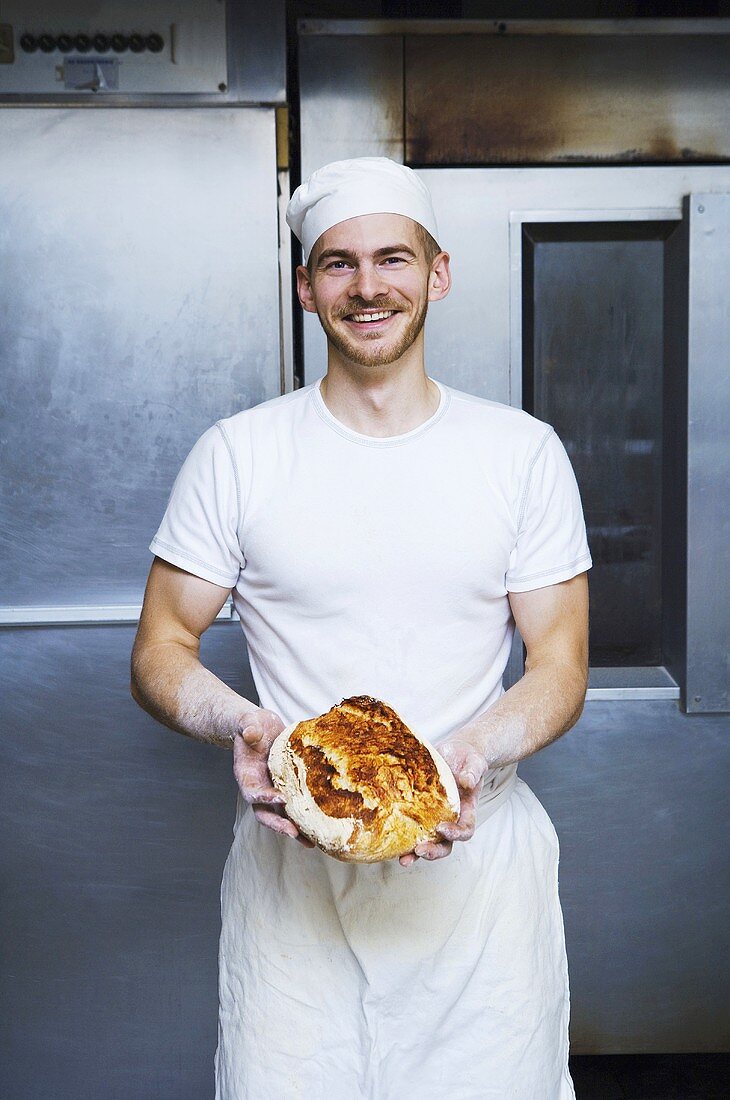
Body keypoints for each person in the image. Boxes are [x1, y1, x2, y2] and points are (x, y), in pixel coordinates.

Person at [131, 157, 591, 1099]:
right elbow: (161, 648)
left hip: (479, 893)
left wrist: (471, 752)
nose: (368, 286)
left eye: (393, 258)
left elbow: (560, 663)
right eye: (337, 264)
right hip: (292, 881)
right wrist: (244, 725)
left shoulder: (519, 453)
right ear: (306, 289)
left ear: (439, 273)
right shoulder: (239, 455)